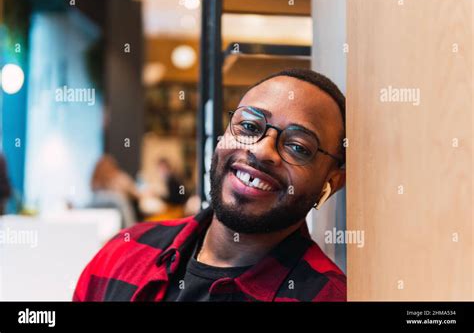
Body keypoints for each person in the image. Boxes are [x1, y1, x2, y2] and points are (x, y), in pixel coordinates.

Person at [74, 68, 347, 302]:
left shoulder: (326, 295)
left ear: (330, 183)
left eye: (298, 147)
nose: (263, 151)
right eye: (250, 127)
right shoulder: (126, 250)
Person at [89, 154, 140, 228]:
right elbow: (136, 194)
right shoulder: (119, 178)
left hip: (104, 226)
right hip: (122, 225)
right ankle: (131, 232)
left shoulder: (96, 182)